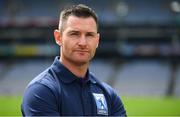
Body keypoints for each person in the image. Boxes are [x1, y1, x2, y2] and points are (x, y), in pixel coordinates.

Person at [21, 4, 126, 116]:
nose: (83, 43)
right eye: (74, 34)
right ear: (58, 37)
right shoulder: (41, 91)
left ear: (97, 40)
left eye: (89, 35)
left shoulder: (108, 94)